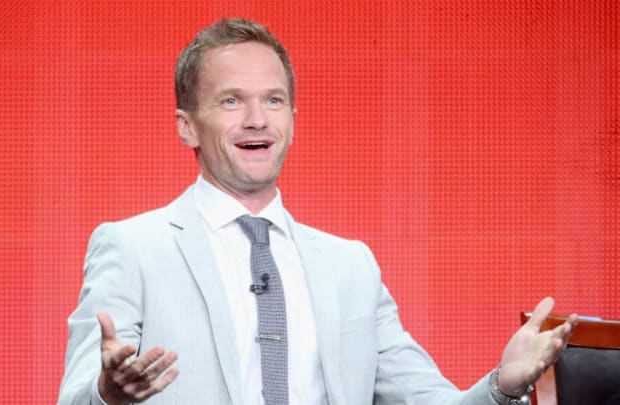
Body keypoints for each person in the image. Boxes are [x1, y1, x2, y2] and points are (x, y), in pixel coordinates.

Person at [58, 17, 577, 405]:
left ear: (293, 118)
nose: (257, 119)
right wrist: (107, 394)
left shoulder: (350, 265)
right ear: (187, 126)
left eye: (274, 100)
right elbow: (77, 395)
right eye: (231, 101)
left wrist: (501, 386)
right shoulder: (133, 246)